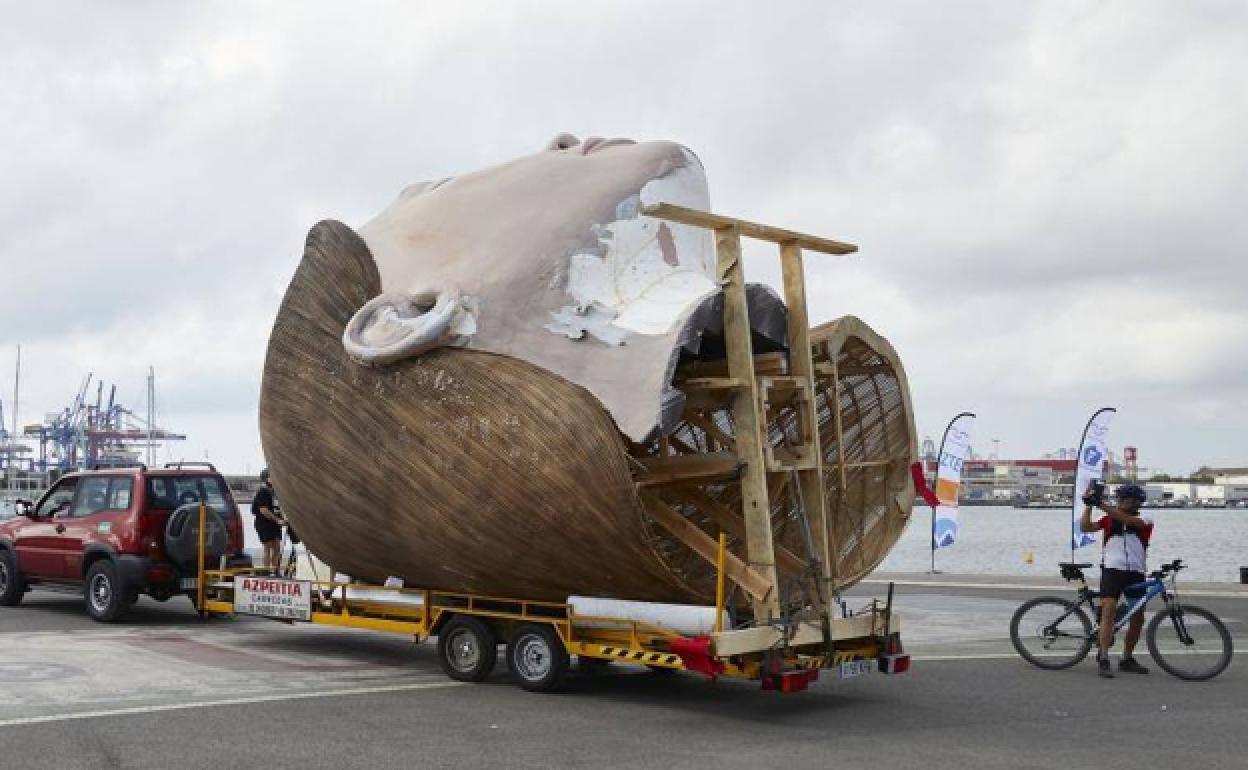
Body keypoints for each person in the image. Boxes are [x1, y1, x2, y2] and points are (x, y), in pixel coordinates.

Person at [1080, 482, 1154, 678]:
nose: (1125, 503)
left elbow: (1130, 522)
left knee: (1138, 618)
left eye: (1131, 500)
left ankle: (1127, 658)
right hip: (1112, 571)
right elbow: (1086, 527)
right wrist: (1088, 505)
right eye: (1123, 499)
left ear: (1138, 503)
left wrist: (1100, 503)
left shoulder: (1145, 518)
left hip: (1136, 572)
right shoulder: (1108, 519)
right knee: (1108, 612)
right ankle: (1103, 657)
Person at [251, 468, 285, 574]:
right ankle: (265, 571)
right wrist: (277, 520)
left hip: (274, 523)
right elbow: (263, 510)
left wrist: (283, 519)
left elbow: (278, 507)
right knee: (268, 546)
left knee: (277, 547)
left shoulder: (275, 492)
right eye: (272, 476)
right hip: (264, 523)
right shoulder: (263, 492)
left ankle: (275, 571)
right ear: (266, 479)